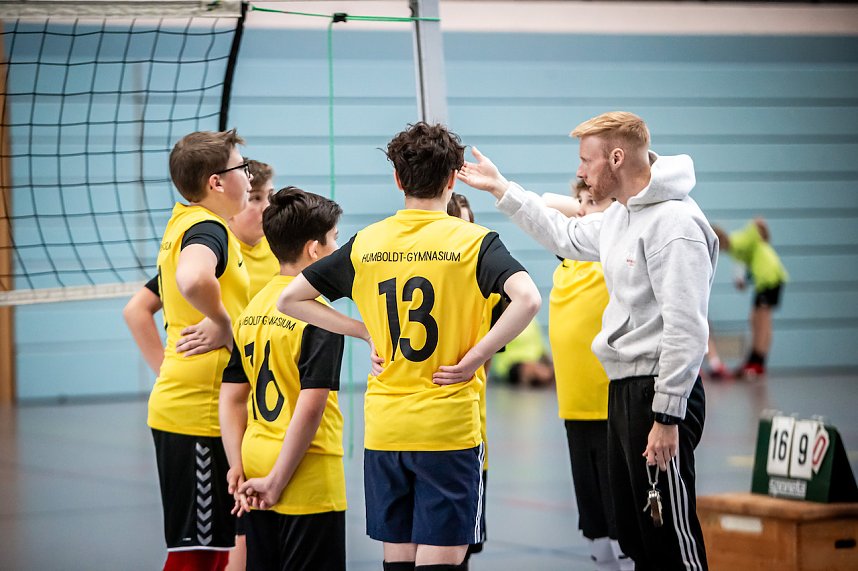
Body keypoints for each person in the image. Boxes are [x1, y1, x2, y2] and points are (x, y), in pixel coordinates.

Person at [457, 111, 716, 571]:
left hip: (657, 395)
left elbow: (686, 327)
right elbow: (564, 232)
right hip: (623, 391)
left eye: (586, 161)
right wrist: (502, 187)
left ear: (617, 158)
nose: (580, 172)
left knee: (669, 538)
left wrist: (666, 415)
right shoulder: (621, 217)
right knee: (636, 537)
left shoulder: (674, 223)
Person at [277, 122, 541, 571]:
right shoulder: (474, 242)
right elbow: (529, 299)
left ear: (398, 179)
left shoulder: (367, 242)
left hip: (385, 429)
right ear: (453, 179)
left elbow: (290, 299)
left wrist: (363, 331)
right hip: (447, 430)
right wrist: (477, 356)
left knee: (397, 561)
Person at [219, 187, 347, 571]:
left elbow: (231, 396)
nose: (337, 249)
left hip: (255, 463)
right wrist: (277, 480)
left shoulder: (254, 307)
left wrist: (236, 463)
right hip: (304, 474)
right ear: (314, 249)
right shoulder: (318, 314)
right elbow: (309, 408)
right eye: (335, 239)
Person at [147, 129, 252, 571]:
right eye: (241, 168)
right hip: (199, 413)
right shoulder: (207, 228)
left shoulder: (183, 222)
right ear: (216, 182)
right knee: (197, 556)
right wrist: (226, 325)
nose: (248, 177)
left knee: (212, 554)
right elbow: (193, 279)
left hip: (193, 407)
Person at [546, 180, 631, 570]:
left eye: (591, 202)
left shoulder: (613, 254)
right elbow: (547, 204)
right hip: (574, 407)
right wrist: (586, 204)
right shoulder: (567, 258)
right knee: (593, 517)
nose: (580, 209)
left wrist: (601, 206)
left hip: (611, 405)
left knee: (622, 516)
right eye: (578, 202)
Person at [445, 192, 501, 562]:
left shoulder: (491, 289)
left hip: (469, 432)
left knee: (462, 548)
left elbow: (488, 364)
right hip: (424, 431)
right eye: (458, 223)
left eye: (470, 222)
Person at [713, 218, 787, 379]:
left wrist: (759, 224)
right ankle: (754, 359)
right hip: (764, 279)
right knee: (754, 319)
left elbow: (754, 229)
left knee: (762, 321)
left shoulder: (737, 241)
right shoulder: (735, 249)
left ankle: (758, 363)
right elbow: (746, 260)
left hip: (770, 277)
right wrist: (743, 279)